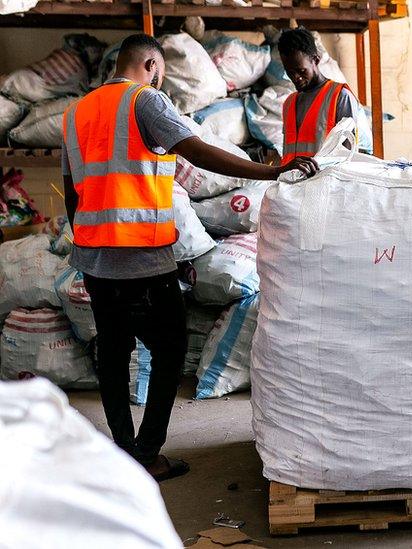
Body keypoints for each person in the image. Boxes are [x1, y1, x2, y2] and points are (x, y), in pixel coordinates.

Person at [61, 33, 318, 481]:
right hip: (144, 260)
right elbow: (197, 152)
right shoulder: (146, 101)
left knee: (113, 356)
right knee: (170, 349)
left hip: (97, 263)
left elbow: (71, 194)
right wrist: (270, 170)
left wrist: (87, 246)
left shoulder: (75, 112)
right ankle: (148, 453)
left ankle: (124, 451)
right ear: (153, 67)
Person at [277, 27, 362, 161]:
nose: (295, 77)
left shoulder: (340, 97)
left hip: (324, 180)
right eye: (289, 72)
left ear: (315, 60)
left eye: (301, 70)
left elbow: (348, 156)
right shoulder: (289, 103)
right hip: (291, 180)